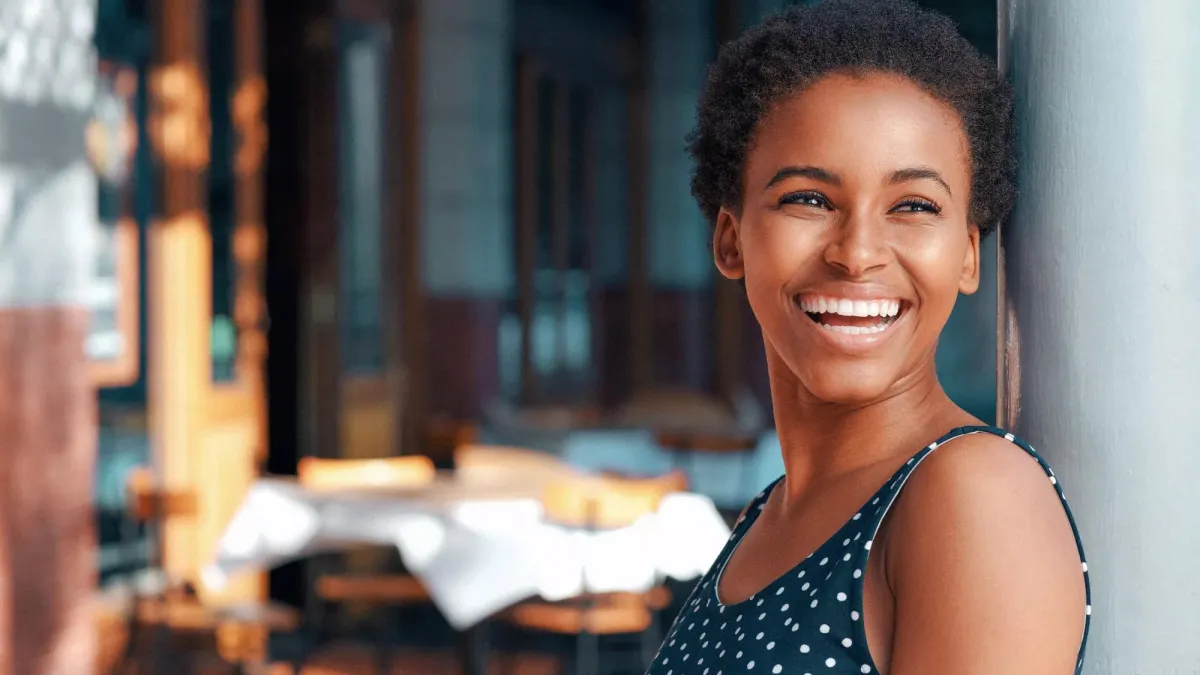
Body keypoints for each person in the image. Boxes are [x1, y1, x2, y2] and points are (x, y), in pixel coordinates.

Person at [646, 1, 1090, 673]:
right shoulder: (765, 517)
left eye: (913, 206)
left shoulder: (973, 495)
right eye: (809, 198)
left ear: (968, 255)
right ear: (732, 240)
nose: (857, 253)